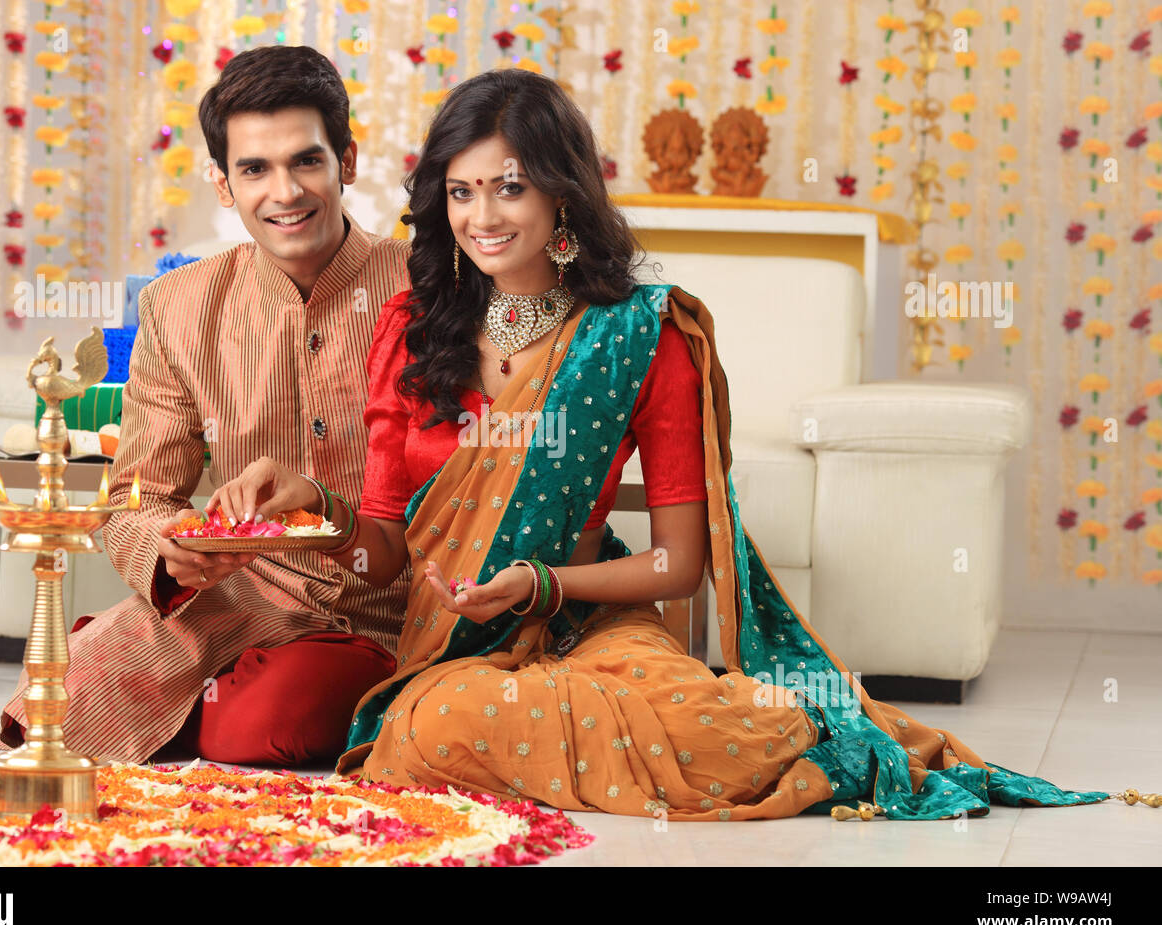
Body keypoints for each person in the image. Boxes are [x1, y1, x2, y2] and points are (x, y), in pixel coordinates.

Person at [209, 69, 1118, 820]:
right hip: (452, 651)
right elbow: (383, 553)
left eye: (511, 186)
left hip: (591, 621)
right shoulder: (414, 326)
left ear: (562, 193)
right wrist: (314, 510)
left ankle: (803, 728)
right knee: (426, 733)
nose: (483, 215)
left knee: (719, 729)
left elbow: (678, 565)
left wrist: (544, 585)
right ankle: (600, 736)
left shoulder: (642, 333)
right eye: (461, 190)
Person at [0, 46, 410, 767]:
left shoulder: (425, 289)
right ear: (222, 183)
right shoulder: (179, 308)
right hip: (242, 595)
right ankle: (210, 685)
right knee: (49, 701)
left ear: (348, 160)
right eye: (254, 169)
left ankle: (230, 697)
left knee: (268, 722)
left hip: (388, 603)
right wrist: (169, 548)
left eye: (307, 161)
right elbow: (139, 494)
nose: (286, 192)